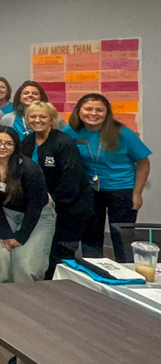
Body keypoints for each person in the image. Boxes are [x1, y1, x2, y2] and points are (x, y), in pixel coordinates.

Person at [64, 92, 151, 262]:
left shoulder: (123, 133)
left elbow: (143, 163)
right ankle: (94, 269)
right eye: (88, 109)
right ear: (79, 111)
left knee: (121, 235)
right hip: (89, 190)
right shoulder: (70, 131)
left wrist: (137, 193)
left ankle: (126, 271)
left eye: (99, 110)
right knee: (91, 234)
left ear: (107, 113)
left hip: (121, 189)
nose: (93, 113)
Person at [20, 101, 95, 275]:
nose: (37, 120)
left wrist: (53, 200)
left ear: (52, 119)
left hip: (68, 207)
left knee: (61, 251)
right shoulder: (27, 142)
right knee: (44, 248)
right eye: (33, 116)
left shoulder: (63, 142)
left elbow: (71, 177)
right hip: (42, 205)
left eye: (42, 116)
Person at [0, 128, 54, 283]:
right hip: (4, 213)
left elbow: (35, 206)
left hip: (37, 215)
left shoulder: (30, 169)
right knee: (1, 259)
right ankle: (1, 301)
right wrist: (5, 231)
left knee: (24, 263)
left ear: (15, 146)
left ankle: (25, 302)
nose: (2, 146)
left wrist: (21, 236)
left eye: (8, 143)